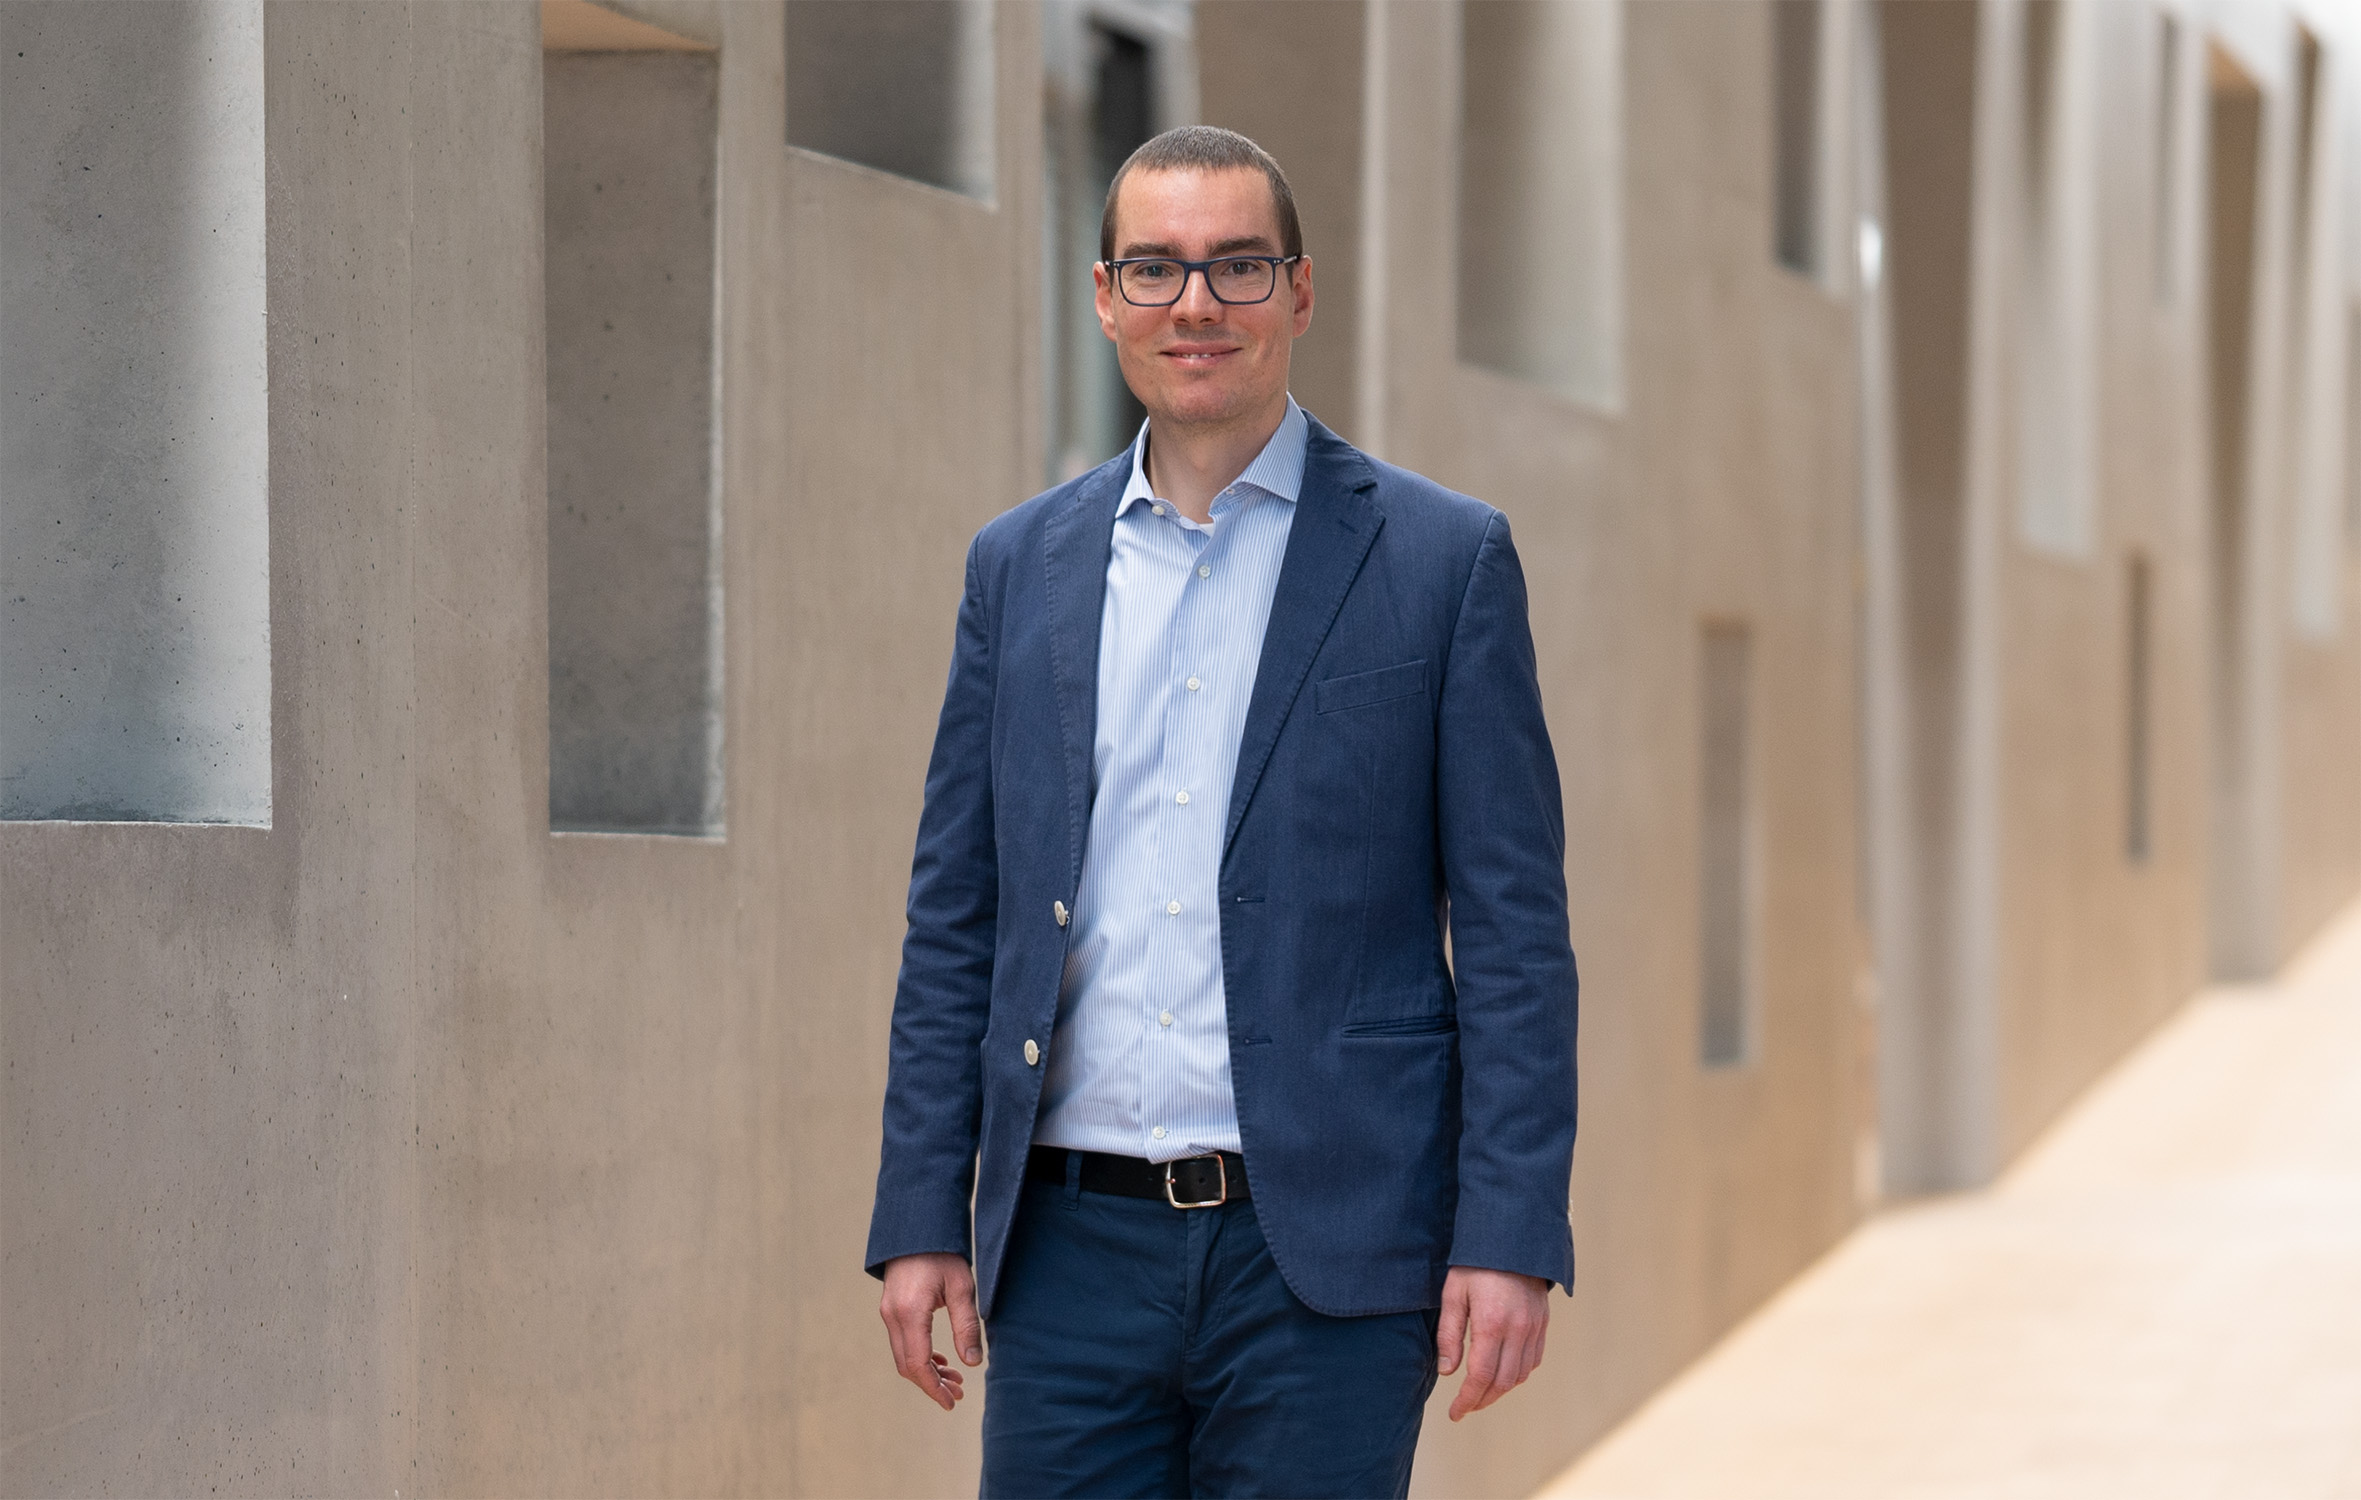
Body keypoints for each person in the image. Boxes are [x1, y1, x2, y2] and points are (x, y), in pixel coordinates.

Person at [866, 125, 1578, 1499]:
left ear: (1300, 293)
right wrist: (918, 1213)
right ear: (1103, 295)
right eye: (1156, 269)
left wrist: (1510, 1230)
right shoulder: (1018, 569)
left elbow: (1511, 933)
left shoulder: (1440, 562)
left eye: (1236, 267)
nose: (1194, 306)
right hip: (1065, 1251)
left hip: (1327, 1251)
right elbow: (955, 913)